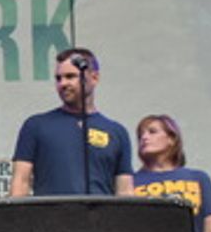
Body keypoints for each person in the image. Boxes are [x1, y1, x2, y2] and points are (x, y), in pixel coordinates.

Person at [10, 48, 133, 197]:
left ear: (94, 78)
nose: (63, 83)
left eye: (70, 76)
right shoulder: (36, 126)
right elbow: (20, 183)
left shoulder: (117, 132)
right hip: (50, 212)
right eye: (58, 78)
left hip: (100, 212)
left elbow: (124, 191)